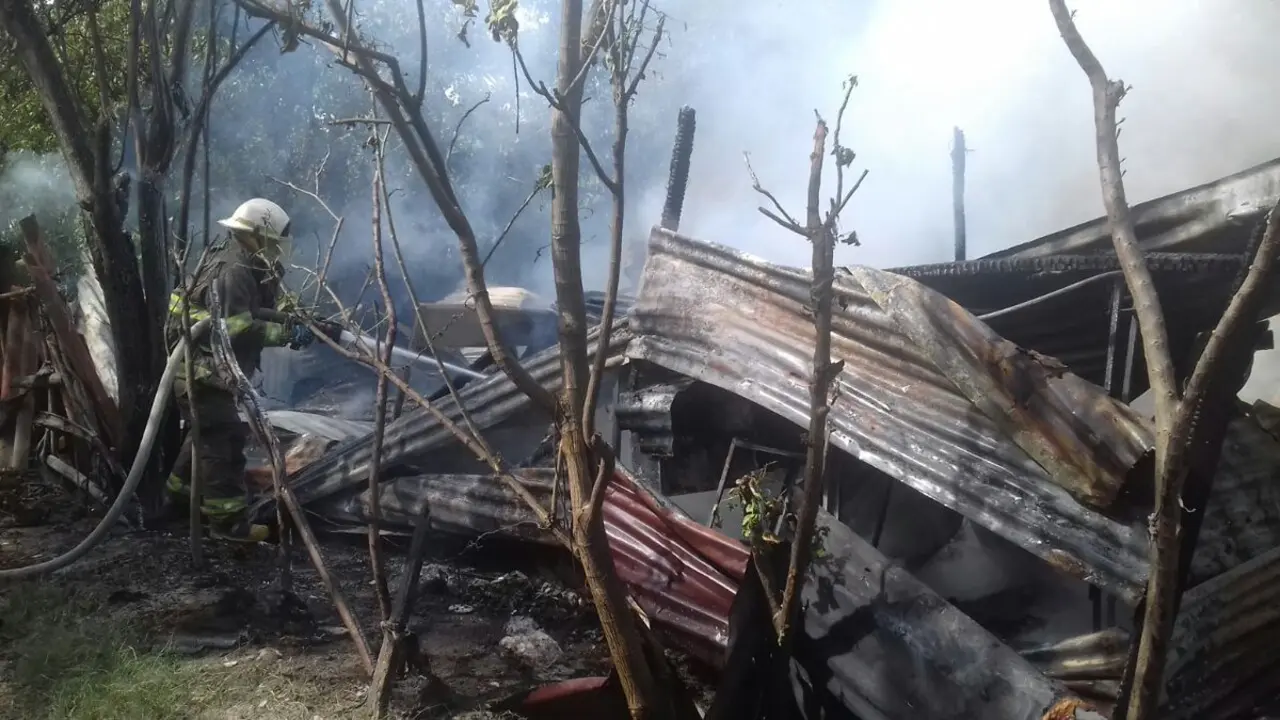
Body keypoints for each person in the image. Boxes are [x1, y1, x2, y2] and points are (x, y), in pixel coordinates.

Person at [165, 198, 339, 542]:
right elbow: (237, 328)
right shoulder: (234, 271)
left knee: (205, 434)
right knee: (224, 439)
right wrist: (288, 334)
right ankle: (229, 526)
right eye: (275, 239)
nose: (279, 247)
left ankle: (179, 501)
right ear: (256, 235)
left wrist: (304, 320)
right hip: (200, 367)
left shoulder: (254, 265)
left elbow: (266, 308)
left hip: (215, 366)